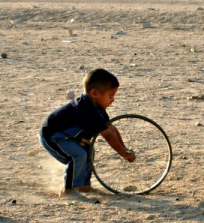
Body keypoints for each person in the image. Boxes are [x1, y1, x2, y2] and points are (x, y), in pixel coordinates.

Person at [39, 68, 136, 199]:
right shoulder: (88, 110)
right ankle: (67, 190)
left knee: (88, 150)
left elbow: (111, 129)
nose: (113, 100)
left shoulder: (98, 108)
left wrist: (124, 148)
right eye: (110, 96)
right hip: (53, 136)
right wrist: (123, 154)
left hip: (69, 137)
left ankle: (82, 184)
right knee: (78, 155)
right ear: (95, 93)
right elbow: (107, 135)